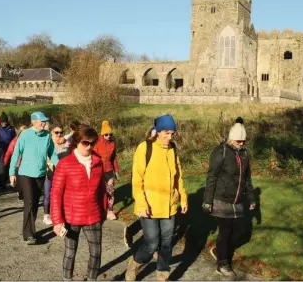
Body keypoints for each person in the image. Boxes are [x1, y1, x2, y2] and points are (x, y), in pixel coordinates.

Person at [126, 114, 188, 281]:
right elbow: (137, 179)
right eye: (166, 133)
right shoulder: (144, 148)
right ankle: (135, 263)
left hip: (170, 205)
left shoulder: (173, 149)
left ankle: (162, 273)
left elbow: (178, 176)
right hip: (149, 205)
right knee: (151, 244)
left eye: (172, 133)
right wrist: (141, 203)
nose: (170, 137)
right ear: (158, 131)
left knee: (166, 244)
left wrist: (183, 198)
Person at [51, 124, 107, 281]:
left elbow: (102, 190)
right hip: (71, 217)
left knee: (96, 252)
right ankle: (67, 279)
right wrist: (57, 221)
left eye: (92, 143)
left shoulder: (98, 163)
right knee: (70, 252)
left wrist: (104, 211)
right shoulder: (65, 163)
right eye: (85, 142)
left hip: (93, 215)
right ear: (77, 141)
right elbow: (56, 194)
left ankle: (91, 278)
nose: (89, 146)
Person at [203, 119, 256, 278]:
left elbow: (247, 179)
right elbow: (211, 177)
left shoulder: (245, 154)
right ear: (231, 139)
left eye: (244, 141)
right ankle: (223, 264)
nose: (241, 143)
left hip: (238, 201)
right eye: (239, 141)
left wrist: (252, 198)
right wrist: (207, 201)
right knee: (225, 232)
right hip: (221, 200)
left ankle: (220, 250)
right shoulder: (220, 152)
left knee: (240, 232)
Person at [9, 111, 59, 245]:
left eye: (44, 121)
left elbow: (52, 153)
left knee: (35, 203)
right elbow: (16, 154)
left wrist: (60, 166)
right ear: (34, 122)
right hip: (25, 173)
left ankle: (31, 229)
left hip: (40, 174)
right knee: (29, 202)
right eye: (41, 121)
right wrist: (12, 173)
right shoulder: (25, 135)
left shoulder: (47, 136)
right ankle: (28, 234)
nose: (44, 123)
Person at [43, 123, 70, 225]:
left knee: (61, 195)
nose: (59, 134)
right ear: (52, 133)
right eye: (56, 132)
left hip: (61, 174)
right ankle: (46, 215)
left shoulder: (66, 144)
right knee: (48, 194)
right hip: (49, 172)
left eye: (61, 132)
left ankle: (60, 215)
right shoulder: (47, 143)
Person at [93, 120, 120, 221]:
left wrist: (116, 171)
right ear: (102, 134)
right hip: (98, 170)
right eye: (106, 135)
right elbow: (92, 156)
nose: (108, 136)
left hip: (109, 170)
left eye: (110, 134)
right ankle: (98, 209)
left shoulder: (112, 143)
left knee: (111, 190)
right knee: (98, 191)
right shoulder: (96, 142)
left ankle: (110, 210)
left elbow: (114, 158)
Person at [4, 125, 29, 201]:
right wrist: (5, 163)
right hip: (18, 165)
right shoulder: (15, 141)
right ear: (20, 133)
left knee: (26, 181)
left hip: (27, 164)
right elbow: (8, 152)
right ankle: (20, 192)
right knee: (19, 182)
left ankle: (26, 194)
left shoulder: (30, 141)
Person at [0, 113, 16, 188]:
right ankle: (1, 182)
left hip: (9, 149)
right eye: (2, 122)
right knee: (1, 165)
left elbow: (14, 138)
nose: (3, 123)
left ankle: (5, 180)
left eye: (4, 121)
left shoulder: (11, 128)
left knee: (8, 165)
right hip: (0, 149)